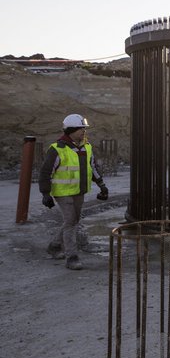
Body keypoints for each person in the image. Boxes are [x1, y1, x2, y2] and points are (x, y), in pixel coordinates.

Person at [39, 113, 109, 270]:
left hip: (79, 191)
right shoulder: (57, 149)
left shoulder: (87, 147)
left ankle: (55, 245)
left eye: (84, 128)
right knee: (71, 221)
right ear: (70, 130)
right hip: (62, 192)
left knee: (73, 221)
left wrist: (102, 185)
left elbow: (92, 168)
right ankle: (72, 257)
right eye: (80, 129)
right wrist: (45, 193)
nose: (83, 131)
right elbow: (45, 172)